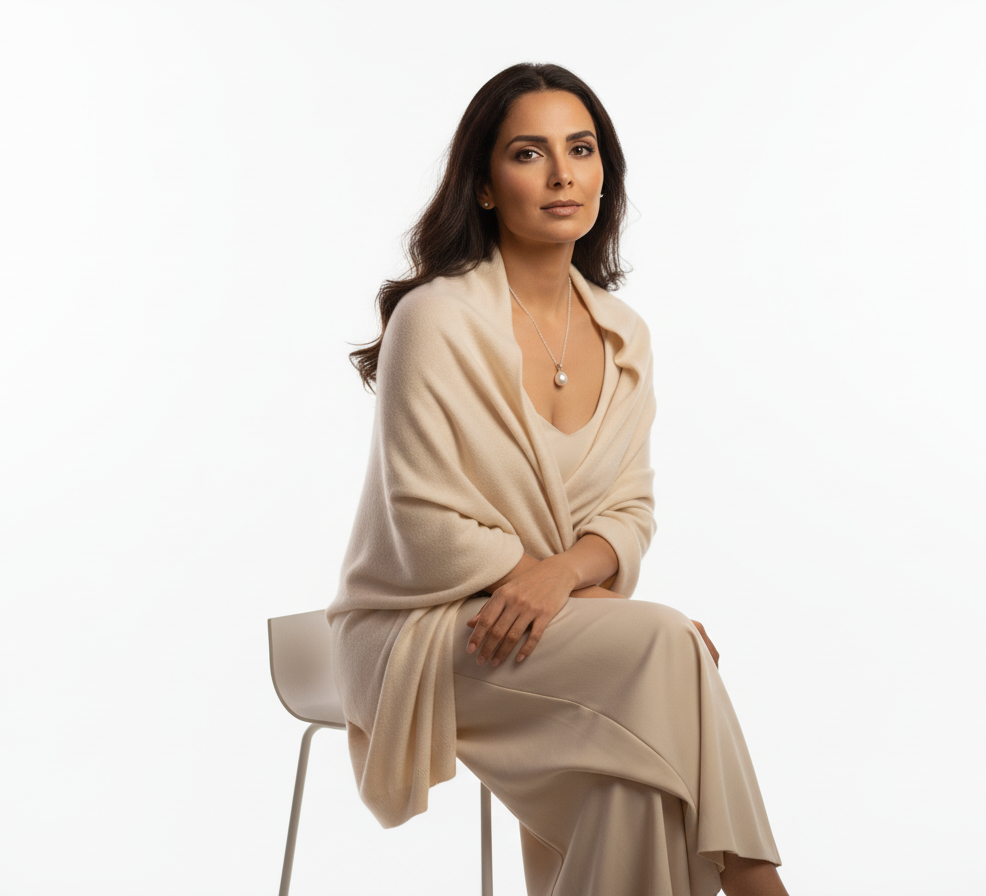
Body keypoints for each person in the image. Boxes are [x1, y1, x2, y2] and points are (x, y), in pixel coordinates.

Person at [326, 62, 789, 896]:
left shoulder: (623, 336)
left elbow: (630, 510)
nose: (562, 173)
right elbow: (424, 522)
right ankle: (759, 883)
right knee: (663, 646)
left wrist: (562, 582)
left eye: (580, 149)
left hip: (544, 620)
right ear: (486, 187)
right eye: (529, 153)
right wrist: (567, 594)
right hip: (425, 627)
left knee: (633, 765)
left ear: (605, 176)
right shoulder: (437, 319)